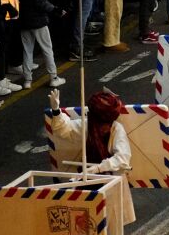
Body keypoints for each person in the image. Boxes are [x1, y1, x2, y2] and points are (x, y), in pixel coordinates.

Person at [44, 88, 135, 225]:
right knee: (86, 226)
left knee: (112, 228)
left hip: (111, 182)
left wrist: (98, 168)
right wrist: (56, 111)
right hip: (87, 181)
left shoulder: (116, 129)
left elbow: (122, 158)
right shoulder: (87, 125)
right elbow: (64, 130)